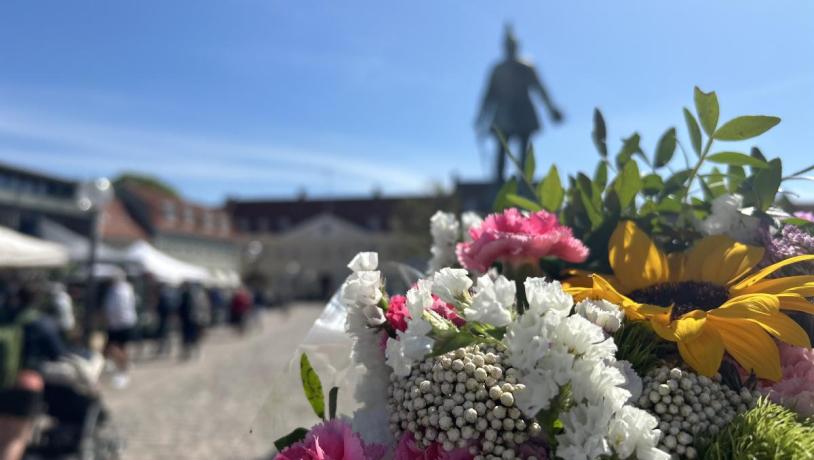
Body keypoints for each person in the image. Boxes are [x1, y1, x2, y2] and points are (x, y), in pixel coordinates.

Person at [475, 24, 563, 186]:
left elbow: (540, 89)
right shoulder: (498, 69)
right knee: (501, 152)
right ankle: (499, 186)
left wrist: (552, 110)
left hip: (523, 112)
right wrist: (480, 117)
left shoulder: (526, 65)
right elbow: (488, 95)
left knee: (524, 152)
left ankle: (524, 184)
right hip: (503, 114)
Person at [0, 284, 66, 460]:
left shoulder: (5, 318)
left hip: (2, 382)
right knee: (15, 439)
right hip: (25, 383)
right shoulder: (41, 322)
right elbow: (58, 353)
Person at [102, 275, 137, 389]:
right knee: (116, 348)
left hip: (120, 324)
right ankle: (121, 368)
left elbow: (118, 308)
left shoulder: (121, 291)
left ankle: (123, 371)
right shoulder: (121, 289)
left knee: (119, 348)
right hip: (118, 324)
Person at [178, 282, 210, 360]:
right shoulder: (201, 295)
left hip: (190, 319)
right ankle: (195, 353)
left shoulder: (186, 294)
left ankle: (189, 353)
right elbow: (205, 308)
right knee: (195, 337)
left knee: (189, 337)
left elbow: (181, 308)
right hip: (196, 319)